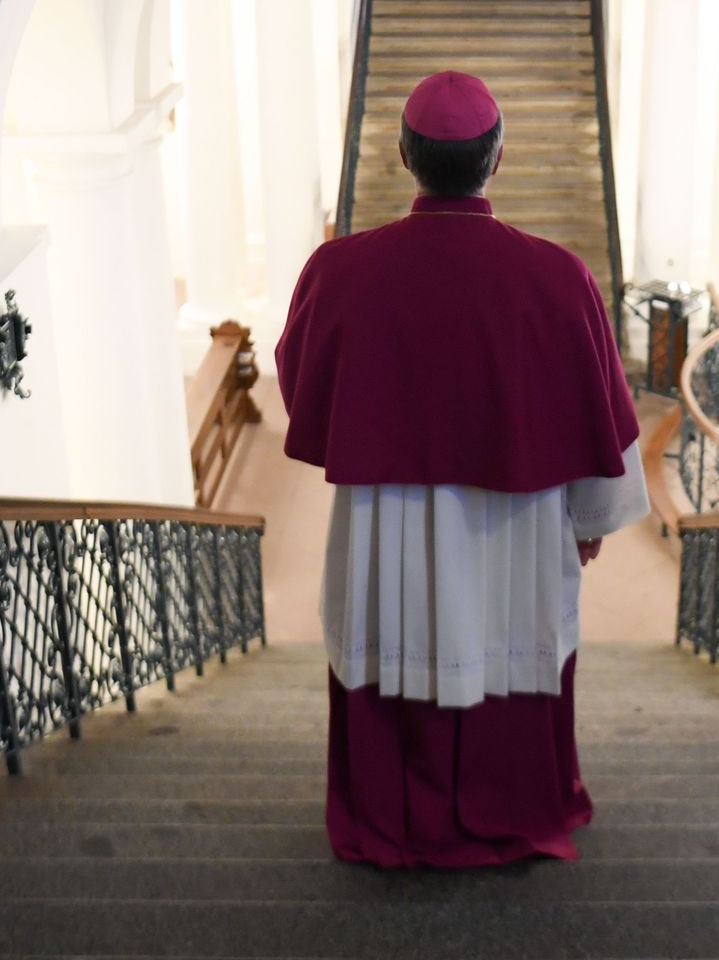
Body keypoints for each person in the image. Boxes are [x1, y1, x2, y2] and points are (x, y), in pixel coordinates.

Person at [276, 70, 649, 868]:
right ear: (498, 159)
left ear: (404, 157)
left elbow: (303, 381)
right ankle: (512, 808)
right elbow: (602, 405)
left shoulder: (338, 271)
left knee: (390, 643)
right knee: (510, 643)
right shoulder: (561, 277)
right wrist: (589, 519)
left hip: (385, 523)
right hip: (518, 528)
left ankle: (391, 815)